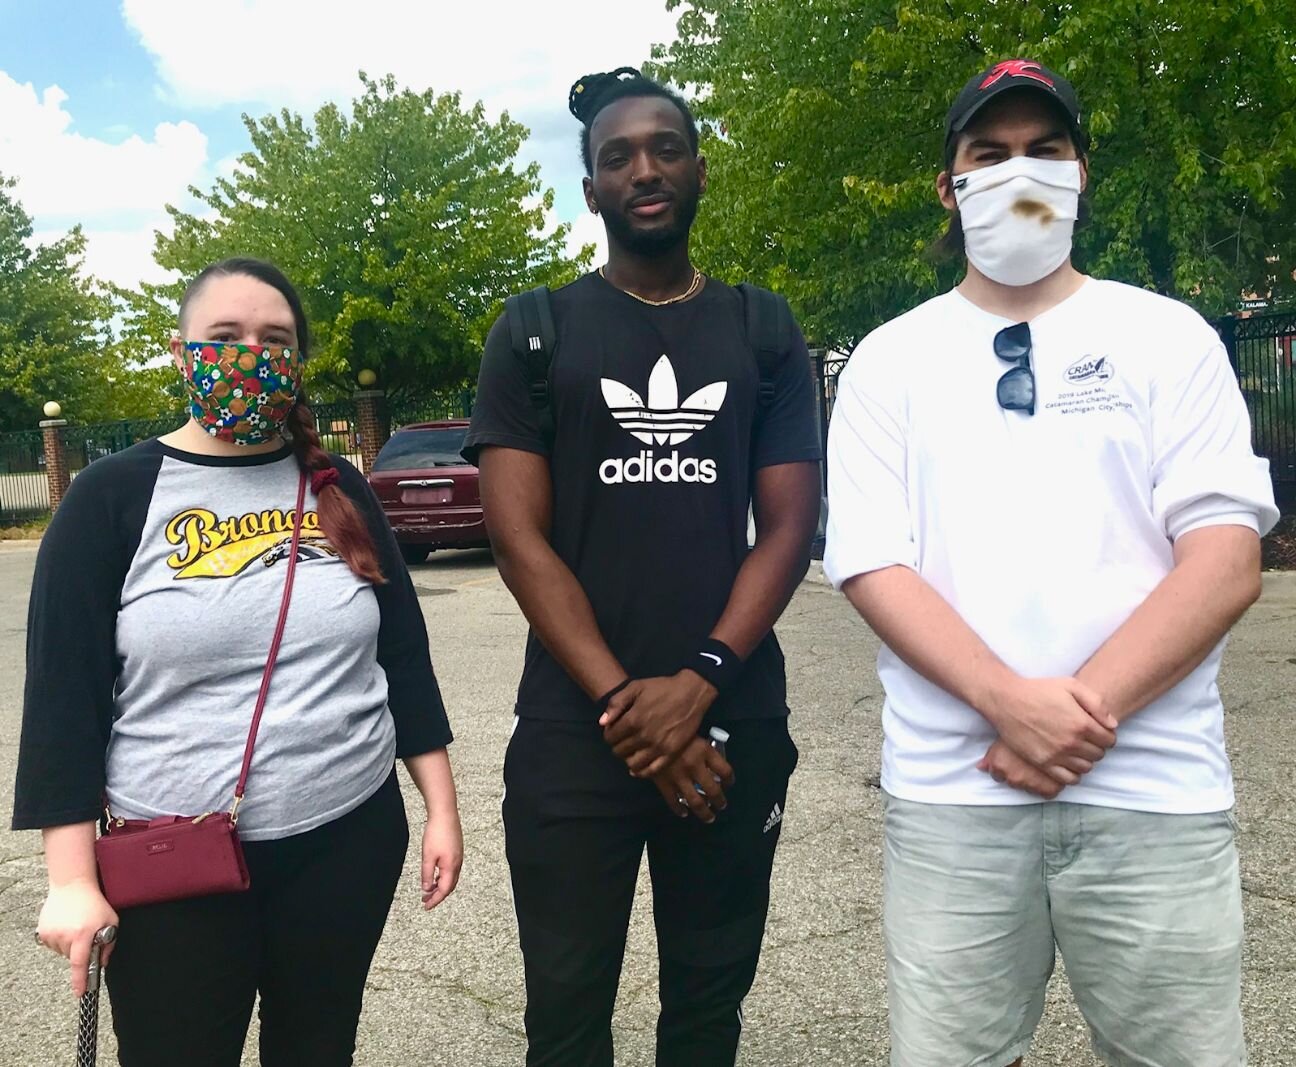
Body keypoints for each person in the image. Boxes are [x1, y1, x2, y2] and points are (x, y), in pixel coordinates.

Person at [825, 59, 1279, 1067]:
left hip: (1152, 792)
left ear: (1082, 171)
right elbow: (871, 562)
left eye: (1044, 149)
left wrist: (1071, 713)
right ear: (948, 186)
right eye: (988, 154)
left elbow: (1226, 554)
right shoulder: (888, 360)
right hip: (955, 797)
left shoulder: (1167, 338)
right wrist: (1006, 701)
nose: (1018, 172)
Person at [14, 258, 464, 1067]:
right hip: (173, 863)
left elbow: (400, 652)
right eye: (225, 337)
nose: (252, 354)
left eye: (275, 339)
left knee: (319, 1048)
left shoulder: (339, 488)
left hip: (346, 840)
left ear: (297, 360)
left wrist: (441, 806)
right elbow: (62, 704)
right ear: (182, 350)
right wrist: (72, 879)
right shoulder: (111, 498)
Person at [464, 68, 822, 1067]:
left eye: (665, 147)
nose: (644, 168)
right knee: (567, 1020)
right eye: (616, 157)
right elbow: (515, 539)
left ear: (701, 170)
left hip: (734, 717)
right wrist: (633, 705)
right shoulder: (535, 329)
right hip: (577, 736)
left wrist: (703, 677)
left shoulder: (763, 328)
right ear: (590, 190)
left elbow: (789, 528)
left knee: (707, 1016)